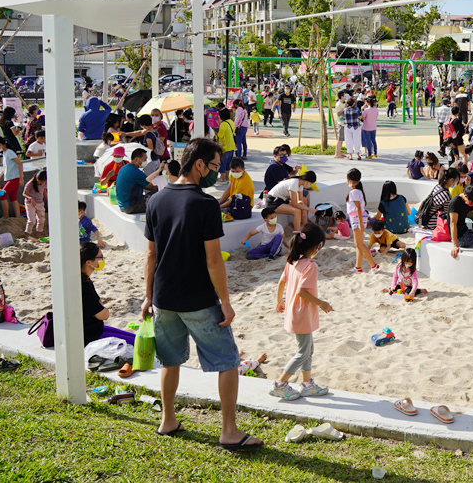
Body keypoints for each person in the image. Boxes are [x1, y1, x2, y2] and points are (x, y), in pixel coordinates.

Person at [142, 138, 261, 449]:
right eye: (214, 167)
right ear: (198, 165)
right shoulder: (206, 205)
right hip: (198, 298)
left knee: (170, 362)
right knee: (227, 360)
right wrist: (226, 302)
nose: (217, 174)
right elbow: (212, 260)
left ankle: (167, 420)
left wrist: (147, 296)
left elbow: (150, 256)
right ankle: (229, 431)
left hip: (163, 297)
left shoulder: (156, 200)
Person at [269, 223, 332, 401]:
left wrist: (279, 301)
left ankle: (306, 384)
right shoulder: (310, 266)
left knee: (308, 349)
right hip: (302, 314)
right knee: (303, 352)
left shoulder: (292, 261)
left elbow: (282, 282)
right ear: (317, 246)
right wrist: (322, 303)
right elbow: (302, 292)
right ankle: (279, 384)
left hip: (294, 312)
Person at [345, 168, 378, 273]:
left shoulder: (354, 192)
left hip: (356, 218)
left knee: (360, 244)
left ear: (350, 179)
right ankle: (358, 267)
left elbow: (358, 208)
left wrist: (360, 224)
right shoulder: (358, 191)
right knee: (358, 243)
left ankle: (374, 265)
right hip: (358, 217)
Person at [80, 242, 110, 345]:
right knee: (136, 343)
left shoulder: (84, 279)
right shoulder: (84, 286)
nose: (102, 260)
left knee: (135, 338)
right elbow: (104, 315)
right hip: (92, 336)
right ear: (88, 262)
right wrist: (103, 308)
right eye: (100, 258)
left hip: (95, 329)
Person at [116, 149, 157, 214]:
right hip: (131, 206)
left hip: (122, 205)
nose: (146, 162)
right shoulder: (136, 172)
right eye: (144, 159)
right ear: (136, 159)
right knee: (159, 197)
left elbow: (146, 185)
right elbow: (153, 185)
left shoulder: (124, 168)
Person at [0, 137, 21, 220]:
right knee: (12, 197)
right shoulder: (5, 153)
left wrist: (21, 178)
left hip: (14, 178)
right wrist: (2, 173)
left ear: (0, 144)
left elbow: (20, 164)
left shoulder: (9, 152)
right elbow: (8, 165)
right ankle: (18, 217)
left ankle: (5, 216)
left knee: (2, 195)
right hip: (12, 178)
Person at [22, 170, 47, 240]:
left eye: (43, 181)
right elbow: (24, 193)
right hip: (30, 203)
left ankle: (38, 237)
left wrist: (48, 199)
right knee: (32, 220)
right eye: (41, 181)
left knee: (41, 220)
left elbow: (44, 191)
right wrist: (30, 198)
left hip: (40, 203)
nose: (42, 183)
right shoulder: (30, 184)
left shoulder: (45, 183)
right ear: (37, 178)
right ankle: (27, 236)